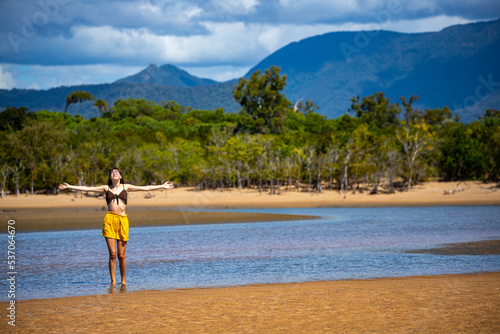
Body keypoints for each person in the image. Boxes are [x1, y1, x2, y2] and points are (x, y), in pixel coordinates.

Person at [59, 167, 174, 285]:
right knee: (113, 255)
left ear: (120, 176)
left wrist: (162, 186)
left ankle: (123, 281)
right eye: (112, 173)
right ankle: (113, 281)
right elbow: (88, 188)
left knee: (121, 255)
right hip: (109, 220)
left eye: (117, 172)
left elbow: (144, 188)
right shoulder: (106, 188)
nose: (114, 173)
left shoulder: (126, 187)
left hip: (123, 221)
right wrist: (70, 186)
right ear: (110, 177)